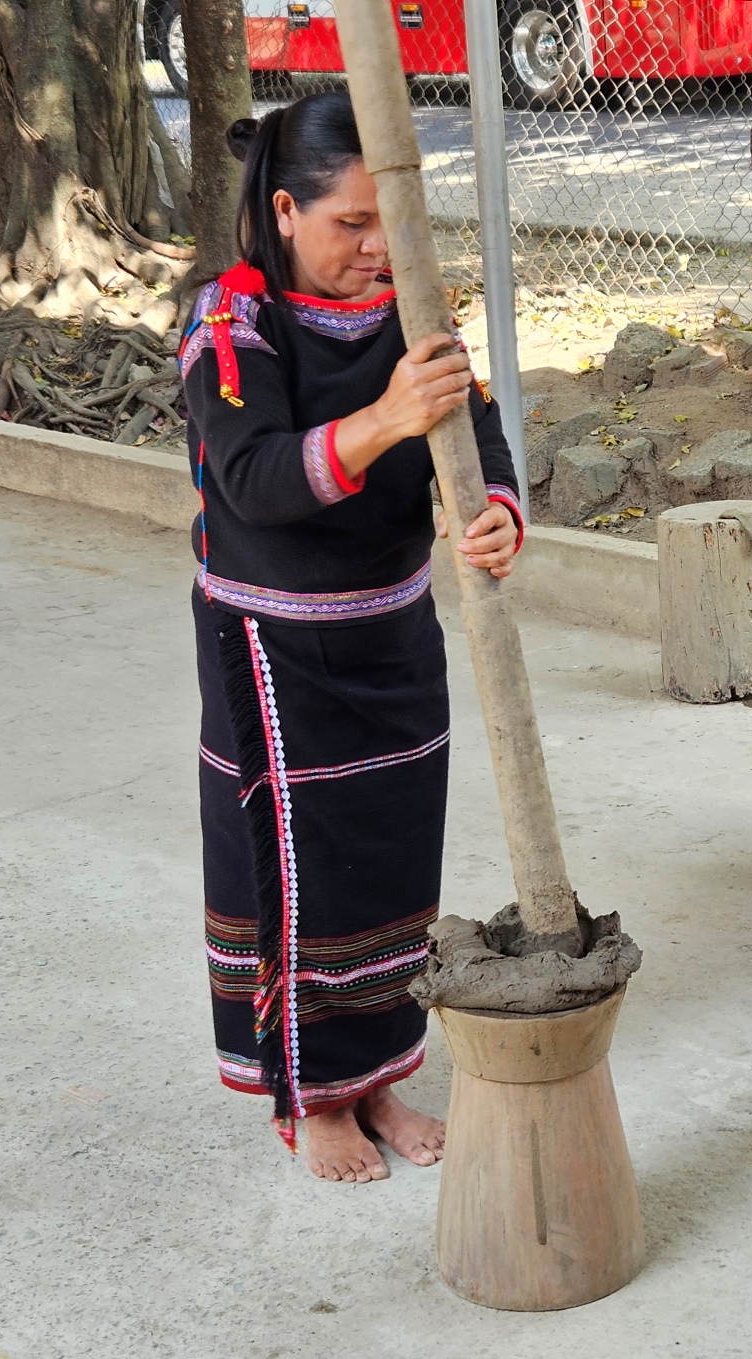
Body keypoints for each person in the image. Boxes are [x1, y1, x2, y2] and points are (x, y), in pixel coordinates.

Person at [182, 93, 523, 1182]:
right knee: (301, 871)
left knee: (389, 863)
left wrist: (498, 511)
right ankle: (309, 1096)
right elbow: (254, 483)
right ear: (285, 211)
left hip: (394, 632)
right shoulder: (232, 325)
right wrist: (386, 418)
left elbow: (481, 434)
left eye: (394, 224)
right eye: (350, 225)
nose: (378, 250)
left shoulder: (412, 314)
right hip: (275, 652)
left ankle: (374, 1079)